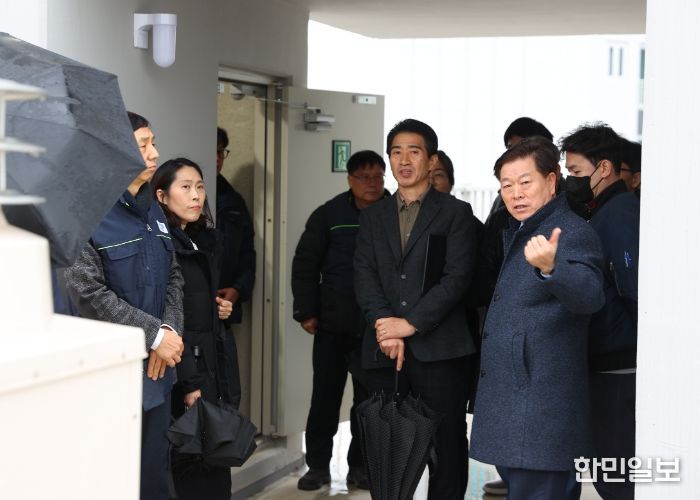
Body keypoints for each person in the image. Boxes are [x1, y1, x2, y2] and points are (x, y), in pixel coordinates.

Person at [470, 136, 605, 500]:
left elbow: (591, 296)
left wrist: (553, 268)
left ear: (551, 179)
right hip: (520, 407)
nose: (516, 193)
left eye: (525, 182)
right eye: (506, 185)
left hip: (541, 409)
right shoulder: (525, 228)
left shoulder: (570, 231)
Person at [354, 119, 479, 499]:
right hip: (384, 350)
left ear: (431, 159)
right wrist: (384, 324)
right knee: (387, 446)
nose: (404, 160)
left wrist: (409, 324)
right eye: (396, 152)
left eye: (414, 151)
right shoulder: (373, 216)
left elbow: (457, 278)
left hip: (441, 352)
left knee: (447, 444)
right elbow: (364, 273)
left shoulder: (456, 213)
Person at [64, 111, 184, 500]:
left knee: (153, 477)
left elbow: (174, 276)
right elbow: (86, 290)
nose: (155, 153)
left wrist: (168, 333)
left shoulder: (152, 209)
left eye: (153, 142)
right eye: (143, 144)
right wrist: (153, 336)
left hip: (157, 373)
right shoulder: (87, 212)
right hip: (110, 376)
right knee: (110, 480)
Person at [291, 150, 388, 490]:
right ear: (350, 180)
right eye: (364, 177)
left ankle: (360, 468)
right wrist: (306, 311)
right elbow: (305, 264)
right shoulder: (329, 214)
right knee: (324, 399)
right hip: (332, 324)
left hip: (375, 328)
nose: (372, 184)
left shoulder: (394, 212)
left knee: (369, 403)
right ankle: (317, 466)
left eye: (378, 177)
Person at [151, 158, 239, 499]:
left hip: (211, 365)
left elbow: (198, 306)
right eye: (185, 187)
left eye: (200, 187)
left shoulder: (201, 241)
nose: (196, 195)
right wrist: (190, 383)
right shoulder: (162, 245)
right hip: (187, 371)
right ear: (161, 196)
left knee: (213, 464)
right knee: (192, 470)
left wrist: (221, 309)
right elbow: (172, 319)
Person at [561, 124, 640, 500]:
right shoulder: (602, 212)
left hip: (619, 365)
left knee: (618, 474)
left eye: (576, 171)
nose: (570, 180)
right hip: (606, 362)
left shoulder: (620, 213)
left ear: (604, 168)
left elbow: (633, 287)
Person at [216, 127, 256, 327]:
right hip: (187, 308)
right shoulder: (179, 197)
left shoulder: (233, 201)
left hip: (224, 305)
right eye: (211, 151)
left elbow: (247, 252)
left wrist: (238, 289)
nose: (217, 158)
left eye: (220, 152)